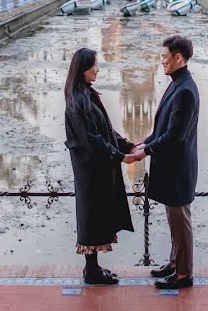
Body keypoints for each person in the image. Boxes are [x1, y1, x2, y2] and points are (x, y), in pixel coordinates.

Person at [130, 35, 200, 290]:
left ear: (178, 57)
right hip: (173, 167)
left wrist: (146, 150)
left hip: (178, 169)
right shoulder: (178, 84)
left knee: (180, 222)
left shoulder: (185, 91)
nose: (162, 62)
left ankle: (184, 274)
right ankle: (174, 263)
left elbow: (174, 136)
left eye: (164, 57)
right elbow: (163, 128)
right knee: (174, 220)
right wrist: (144, 143)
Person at [64, 48, 137, 285]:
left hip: (97, 168)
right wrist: (119, 157)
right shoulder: (77, 100)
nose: (97, 69)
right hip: (90, 170)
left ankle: (94, 269)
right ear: (82, 68)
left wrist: (126, 146)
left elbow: (105, 129)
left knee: (97, 215)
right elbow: (92, 140)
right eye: (94, 65)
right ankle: (91, 271)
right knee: (92, 216)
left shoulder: (86, 94)